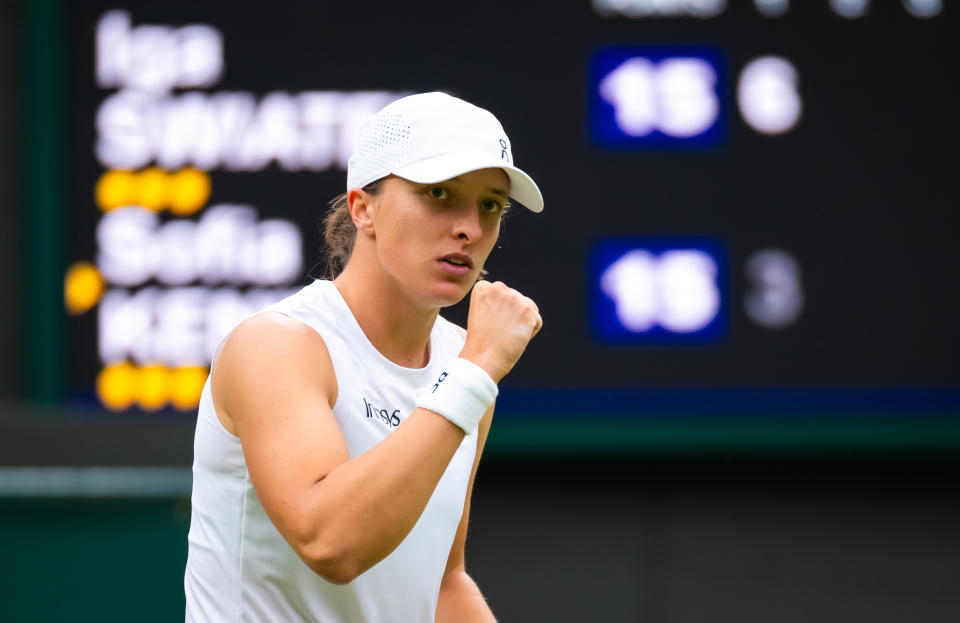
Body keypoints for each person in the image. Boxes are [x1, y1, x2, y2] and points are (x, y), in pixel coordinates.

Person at [183, 92, 544, 622]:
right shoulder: (277, 344)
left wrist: (470, 371)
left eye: (491, 204)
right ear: (363, 208)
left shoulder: (460, 363)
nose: (470, 227)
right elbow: (332, 542)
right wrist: (476, 370)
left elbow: (442, 583)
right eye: (439, 193)